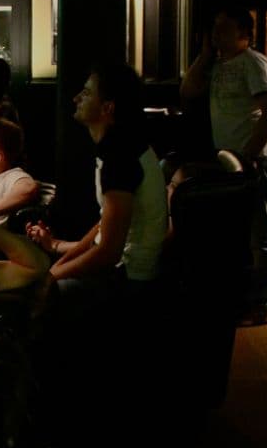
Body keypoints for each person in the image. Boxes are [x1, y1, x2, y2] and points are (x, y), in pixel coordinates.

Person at [26, 62, 168, 306]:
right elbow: (104, 225)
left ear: (107, 108)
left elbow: (109, 252)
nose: (76, 98)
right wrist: (58, 253)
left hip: (130, 279)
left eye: (87, 93)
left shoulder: (120, 158)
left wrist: (50, 278)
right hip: (121, 270)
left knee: (37, 297)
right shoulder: (119, 147)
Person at [180, 3, 267, 326]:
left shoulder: (254, 63)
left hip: (257, 159)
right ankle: (240, 299)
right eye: (215, 27)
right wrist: (204, 54)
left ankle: (261, 305)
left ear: (244, 33)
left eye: (224, 28)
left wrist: (249, 155)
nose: (216, 34)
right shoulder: (218, 64)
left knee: (259, 232)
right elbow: (188, 90)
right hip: (230, 161)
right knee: (236, 234)